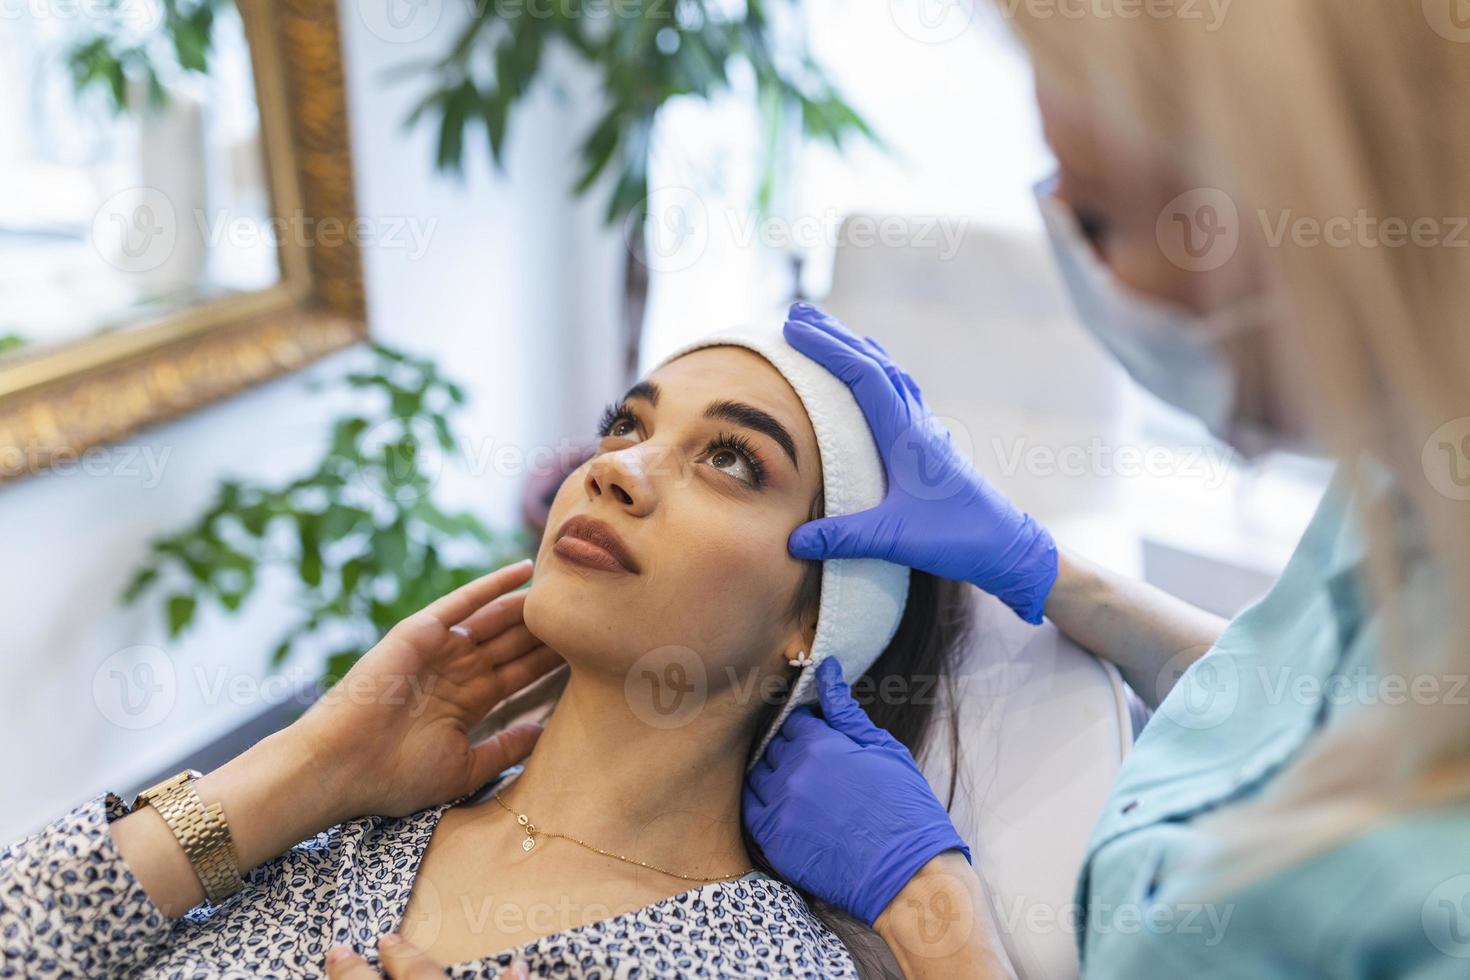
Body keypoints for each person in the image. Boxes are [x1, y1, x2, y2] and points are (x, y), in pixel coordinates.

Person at [744, 1, 1470, 976]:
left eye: (1094, 217)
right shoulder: (1411, 473)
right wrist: (1051, 573)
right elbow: (1305, 706)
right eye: (624, 421)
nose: (615, 475)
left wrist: (937, 916)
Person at [0, 326, 993, 978]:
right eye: (627, 425)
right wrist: (306, 768)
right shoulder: (345, 832)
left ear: (812, 624)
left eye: (732, 459)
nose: (618, 469)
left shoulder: (766, 966)